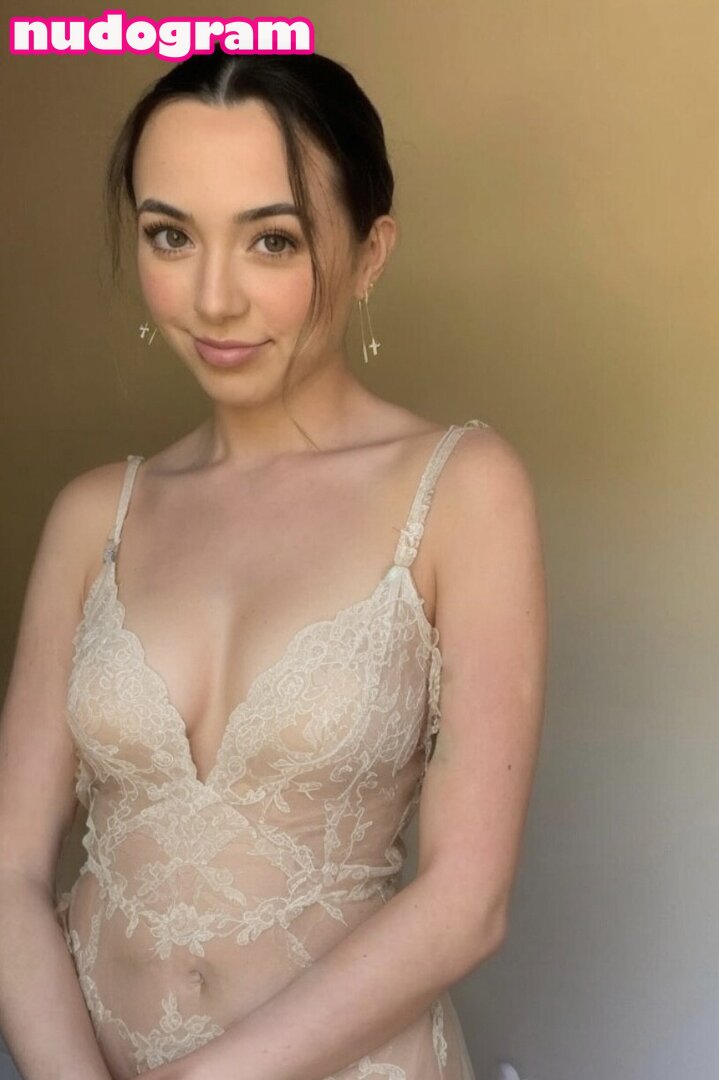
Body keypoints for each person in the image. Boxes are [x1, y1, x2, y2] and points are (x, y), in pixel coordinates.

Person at [0, 48, 547, 1080]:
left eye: (272, 240)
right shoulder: (94, 516)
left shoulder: (460, 492)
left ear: (371, 252)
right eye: (171, 235)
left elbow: (467, 902)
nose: (213, 298)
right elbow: (10, 870)